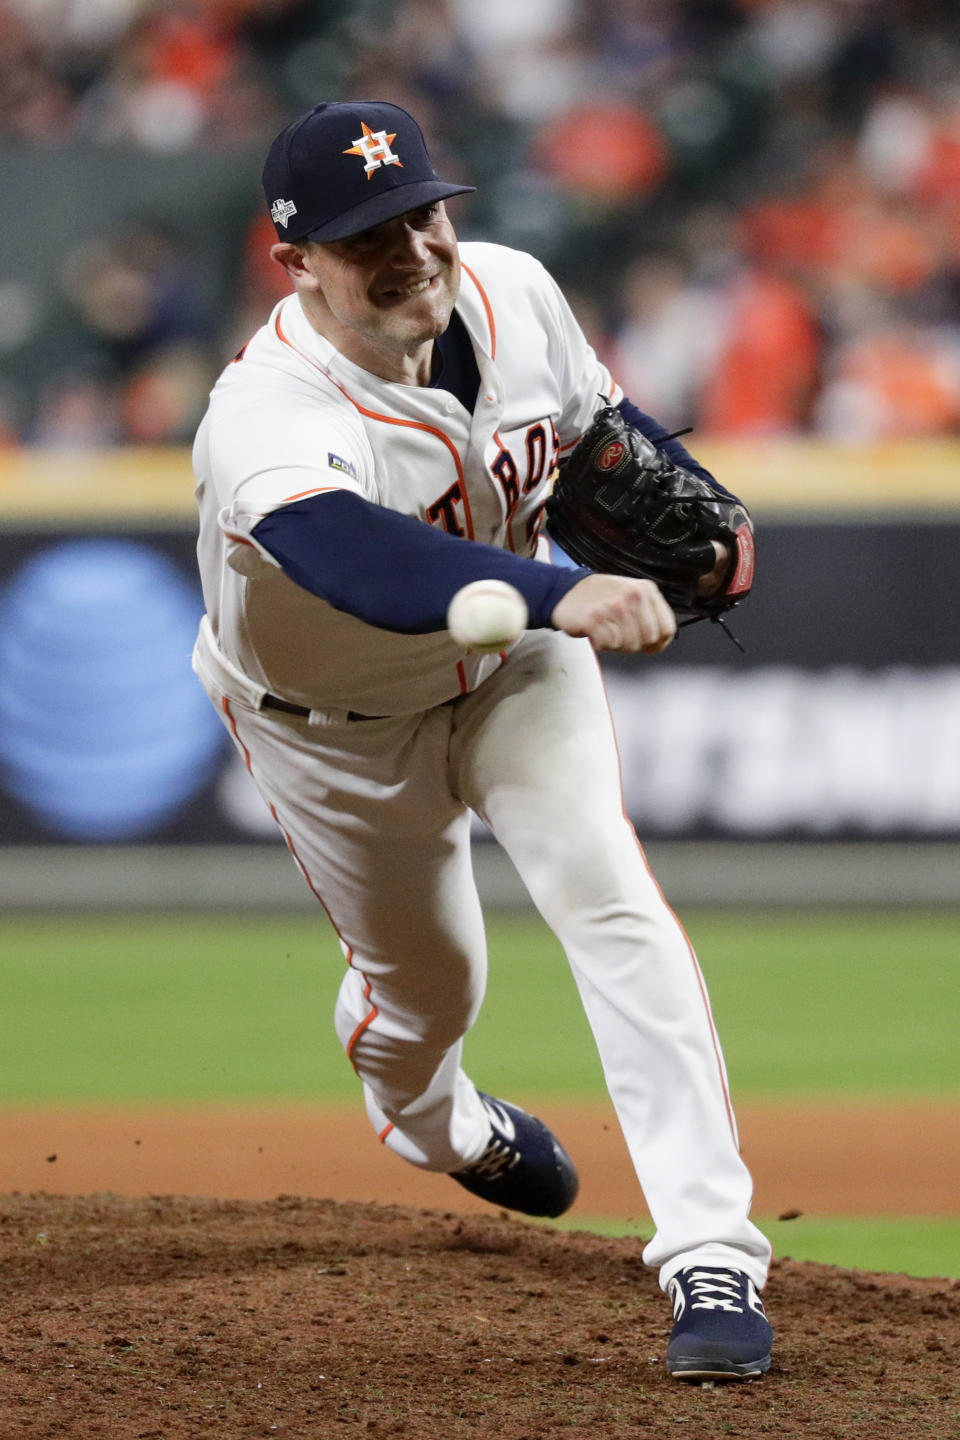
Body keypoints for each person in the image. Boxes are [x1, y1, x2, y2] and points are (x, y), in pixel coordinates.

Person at [191, 100, 774, 1382]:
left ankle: (711, 1252)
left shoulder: (514, 292)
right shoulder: (263, 411)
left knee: (611, 901)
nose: (412, 251)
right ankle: (439, 1124)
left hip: (516, 671)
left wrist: (669, 508)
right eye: (365, 238)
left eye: (423, 213)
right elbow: (355, 556)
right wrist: (569, 590)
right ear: (295, 265)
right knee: (429, 990)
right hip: (335, 736)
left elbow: (595, 440)